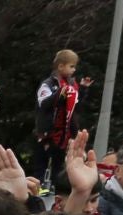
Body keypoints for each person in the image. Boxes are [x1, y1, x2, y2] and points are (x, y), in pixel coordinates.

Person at [34, 49, 89, 189]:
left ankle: (56, 192)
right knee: (42, 164)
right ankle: (38, 192)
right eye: (71, 66)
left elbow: (76, 105)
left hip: (64, 133)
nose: (74, 70)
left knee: (58, 165)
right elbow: (44, 103)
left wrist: (82, 89)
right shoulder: (48, 84)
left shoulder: (72, 84)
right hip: (48, 133)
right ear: (61, 66)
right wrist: (59, 94)